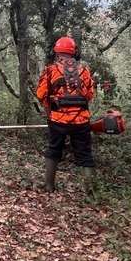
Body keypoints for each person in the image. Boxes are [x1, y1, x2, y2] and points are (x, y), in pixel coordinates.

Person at [36, 36, 95, 193]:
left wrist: (49, 111)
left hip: (57, 120)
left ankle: (49, 186)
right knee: (84, 154)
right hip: (81, 121)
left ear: (56, 52)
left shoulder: (50, 71)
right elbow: (89, 95)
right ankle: (89, 191)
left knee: (54, 150)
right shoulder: (84, 71)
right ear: (73, 52)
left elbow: (41, 95)